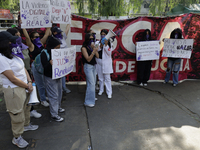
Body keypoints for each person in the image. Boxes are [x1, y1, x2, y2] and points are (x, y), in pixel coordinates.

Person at [0, 31, 38, 148]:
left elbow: (24, 69)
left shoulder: (13, 53)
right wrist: (27, 85)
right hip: (14, 90)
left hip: (24, 86)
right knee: (17, 114)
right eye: (10, 41)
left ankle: (26, 125)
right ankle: (17, 137)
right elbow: (12, 78)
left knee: (26, 108)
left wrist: (29, 82)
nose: (13, 43)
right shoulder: (1, 58)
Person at [7, 28, 42, 119]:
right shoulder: (10, 51)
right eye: (16, 36)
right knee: (22, 97)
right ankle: (23, 118)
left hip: (27, 72)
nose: (19, 37)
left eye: (19, 35)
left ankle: (30, 111)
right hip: (19, 76)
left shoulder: (23, 47)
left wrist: (29, 80)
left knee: (29, 94)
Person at [23, 27, 51, 107]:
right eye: (35, 37)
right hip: (36, 67)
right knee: (40, 84)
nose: (37, 38)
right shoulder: (31, 46)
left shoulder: (41, 43)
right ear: (32, 38)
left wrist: (49, 26)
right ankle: (42, 100)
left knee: (45, 83)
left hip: (43, 66)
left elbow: (46, 35)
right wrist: (23, 27)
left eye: (38, 36)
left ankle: (44, 96)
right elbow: (27, 37)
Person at [41, 36, 65, 122]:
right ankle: (54, 115)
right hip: (49, 77)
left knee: (59, 92)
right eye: (56, 47)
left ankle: (57, 108)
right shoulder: (44, 53)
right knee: (53, 95)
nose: (58, 49)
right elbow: (45, 67)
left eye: (59, 47)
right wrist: (50, 63)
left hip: (58, 76)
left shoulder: (57, 52)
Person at [51, 25, 71, 94]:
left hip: (64, 59)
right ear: (54, 33)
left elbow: (67, 30)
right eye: (58, 32)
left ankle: (64, 87)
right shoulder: (52, 39)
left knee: (63, 74)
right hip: (57, 60)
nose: (60, 33)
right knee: (59, 74)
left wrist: (68, 21)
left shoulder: (62, 37)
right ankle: (60, 88)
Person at [81, 33, 99, 107]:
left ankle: (91, 97)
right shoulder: (83, 48)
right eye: (90, 39)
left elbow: (97, 56)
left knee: (93, 83)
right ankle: (88, 102)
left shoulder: (92, 47)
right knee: (91, 83)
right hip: (88, 67)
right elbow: (88, 59)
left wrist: (95, 49)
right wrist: (93, 52)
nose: (91, 40)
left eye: (92, 39)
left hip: (93, 66)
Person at [96, 29, 113, 98]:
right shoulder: (97, 42)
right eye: (102, 34)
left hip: (106, 63)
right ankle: (101, 90)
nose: (103, 35)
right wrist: (101, 44)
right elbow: (96, 50)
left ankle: (109, 92)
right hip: (99, 62)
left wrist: (106, 45)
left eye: (104, 34)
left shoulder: (110, 43)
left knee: (107, 78)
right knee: (100, 78)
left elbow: (109, 53)